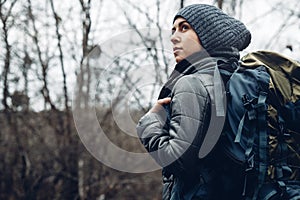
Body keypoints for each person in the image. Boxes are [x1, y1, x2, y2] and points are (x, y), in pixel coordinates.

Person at [136, 4, 251, 200]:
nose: (173, 37)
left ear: (210, 36)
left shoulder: (191, 83)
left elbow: (178, 160)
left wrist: (149, 123)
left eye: (184, 28)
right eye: (173, 30)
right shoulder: (237, 83)